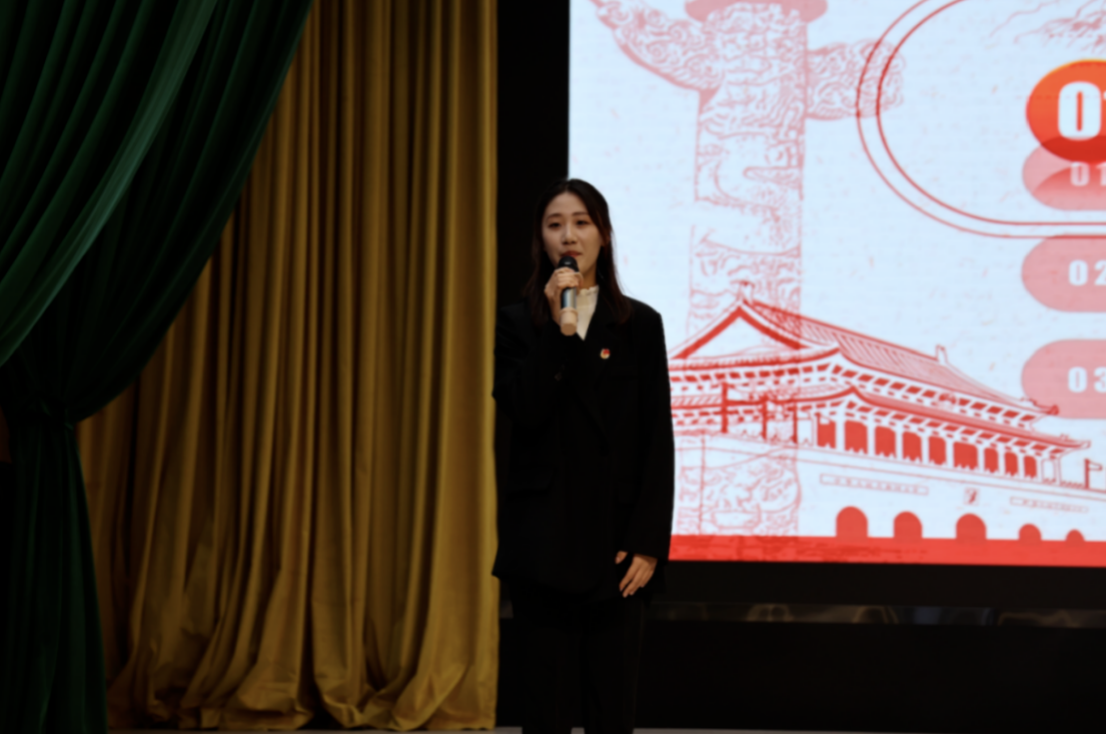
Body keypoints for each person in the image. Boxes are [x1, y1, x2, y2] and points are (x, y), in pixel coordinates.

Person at [493, 178, 675, 734]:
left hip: (616, 546)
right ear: (542, 242)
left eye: (581, 222)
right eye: (555, 225)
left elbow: (656, 437)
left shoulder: (640, 324)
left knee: (611, 711)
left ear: (604, 235)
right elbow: (523, 409)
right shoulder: (517, 323)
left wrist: (648, 542)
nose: (568, 235)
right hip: (542, 542)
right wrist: (558, 330)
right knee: (543, 713)